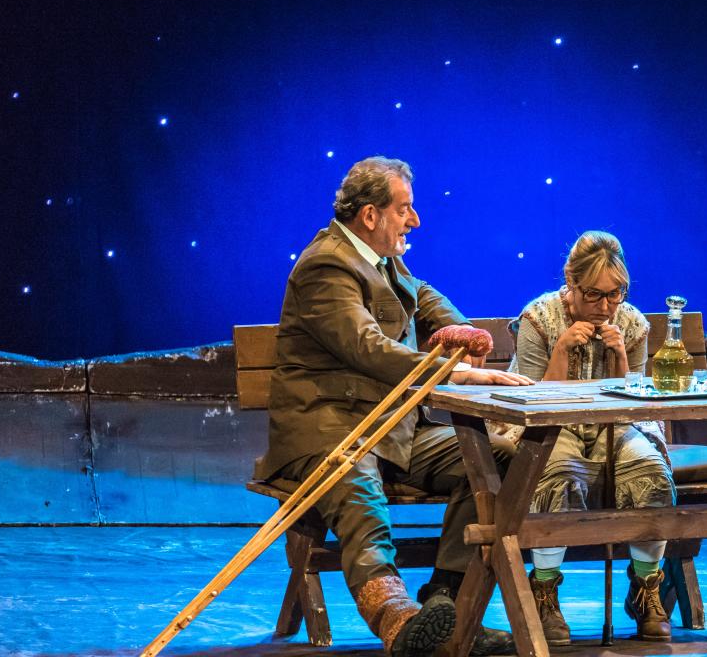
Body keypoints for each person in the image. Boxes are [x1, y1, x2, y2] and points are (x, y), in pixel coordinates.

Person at [257, 156, 533, 657]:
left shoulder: (381, 259)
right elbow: (366, 347)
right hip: (330, 429)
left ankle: (447, 604)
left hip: (392, 430)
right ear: (370, 214)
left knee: (497, 460)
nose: (415, 220)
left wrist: (455, 327)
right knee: (361, 499)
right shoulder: (326, 265)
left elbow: (418, 293)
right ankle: (400, 624)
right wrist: (454, 371)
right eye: (404, 209)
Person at [500, 230, 675, 645]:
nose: (605, 306)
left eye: (615, 294)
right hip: (549, 425)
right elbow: (532, 402)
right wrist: (561, 350)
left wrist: (620, 357)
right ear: (571, 282)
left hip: (615, 423)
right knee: (557, 473)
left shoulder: (631, 323)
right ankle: (545, 594)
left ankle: (646, 589)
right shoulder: (538, 318)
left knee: (650, 472)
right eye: (594, 294)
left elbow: (632, 402)